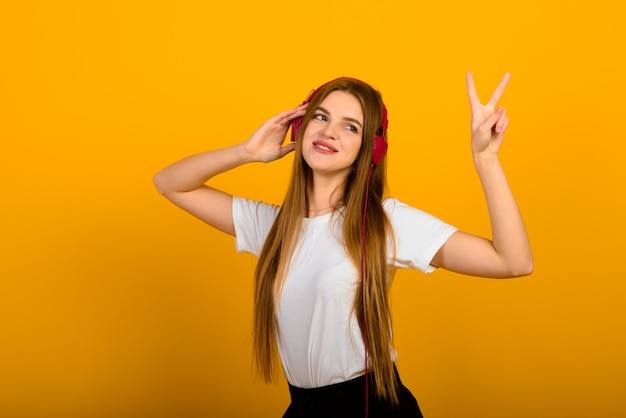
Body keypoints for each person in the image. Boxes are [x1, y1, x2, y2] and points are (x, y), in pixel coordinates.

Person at [153, 74, 533, 418]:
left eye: (350, 126)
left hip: (371, 408)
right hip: (303, 408)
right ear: (298, 126)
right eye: (320, 117)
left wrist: (487, 159)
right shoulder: (272, 227)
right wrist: (246, 153)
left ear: (370, 148)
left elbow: (512, 261)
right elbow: (170, 182)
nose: (330, 131)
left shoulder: (385, 222)